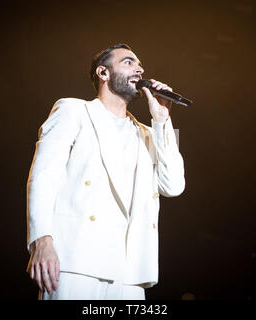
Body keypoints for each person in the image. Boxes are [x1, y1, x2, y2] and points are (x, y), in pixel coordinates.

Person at [26, 43, 185, 300]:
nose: (139, 69)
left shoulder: (149, 133)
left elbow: (174, 186)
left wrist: (162, 120)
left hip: (130, 273)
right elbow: (43, 177)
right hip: (75, 261)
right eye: (128, 62)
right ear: (103, 73)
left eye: (140, 64)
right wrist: (41, 241)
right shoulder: (73, 110)